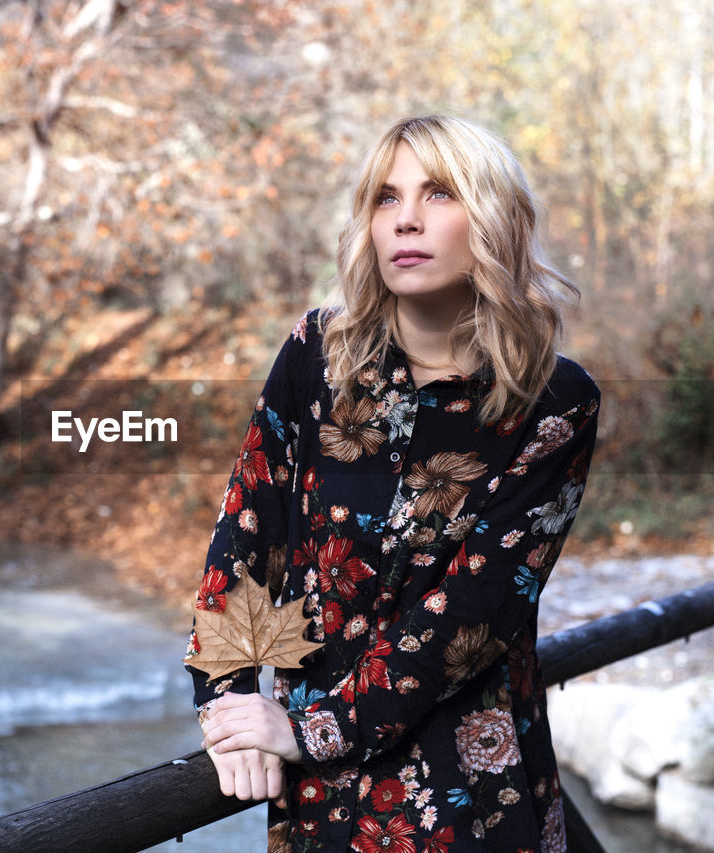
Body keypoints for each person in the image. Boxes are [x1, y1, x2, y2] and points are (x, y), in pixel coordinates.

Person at [184, 114, 600, 853]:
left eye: (438, 194)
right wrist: (229, 704)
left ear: (494, 219)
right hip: (317, 795)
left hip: (468, 795)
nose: (405, 218)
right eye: (385, 197)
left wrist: (312, 728)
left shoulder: (555, 401)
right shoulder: (318, 354)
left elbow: (473, 611)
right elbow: (247, 530)